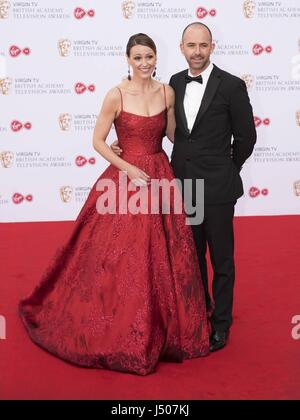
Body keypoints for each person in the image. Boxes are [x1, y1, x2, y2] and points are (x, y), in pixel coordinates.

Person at [19, 33, 210, 376]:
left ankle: (167, 327)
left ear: (156, 57)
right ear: (127, 59)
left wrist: (206, 141)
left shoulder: (167, 91)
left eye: (149, 56)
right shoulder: (116, 94)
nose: (144, 63)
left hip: (160, 175)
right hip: (127, 177)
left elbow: (171, 135)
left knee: (168, 250)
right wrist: (127, 167)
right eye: (137, 58)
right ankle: (123, 325)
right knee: (122, 254)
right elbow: (97, 140)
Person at [112, 24, 257, 352]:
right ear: (181, 47)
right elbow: (157, 127)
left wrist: (228, 168)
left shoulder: (232, 86)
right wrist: (119, 142)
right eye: (191, 45)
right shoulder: (173, 83)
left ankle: (221, 324)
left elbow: (246, 137)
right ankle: (200, 315)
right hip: (184, 184)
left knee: (222, 259)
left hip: (218, 187)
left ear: (212, 46)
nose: (197, 51)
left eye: (202, 45)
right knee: (190, 255)